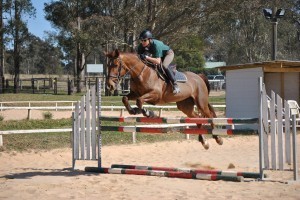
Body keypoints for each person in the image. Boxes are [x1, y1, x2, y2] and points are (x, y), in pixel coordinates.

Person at [137, 29, 180, 94]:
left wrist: (146, 57)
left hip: (168, 54)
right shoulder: (141, 46)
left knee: (164, 65)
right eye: (141, 40)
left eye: (144, 40)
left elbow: (157, 61)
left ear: (149, 39)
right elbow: (138, 57)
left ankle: (175, 84)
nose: (143, 42)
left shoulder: (156, 45)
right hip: (158, 56)